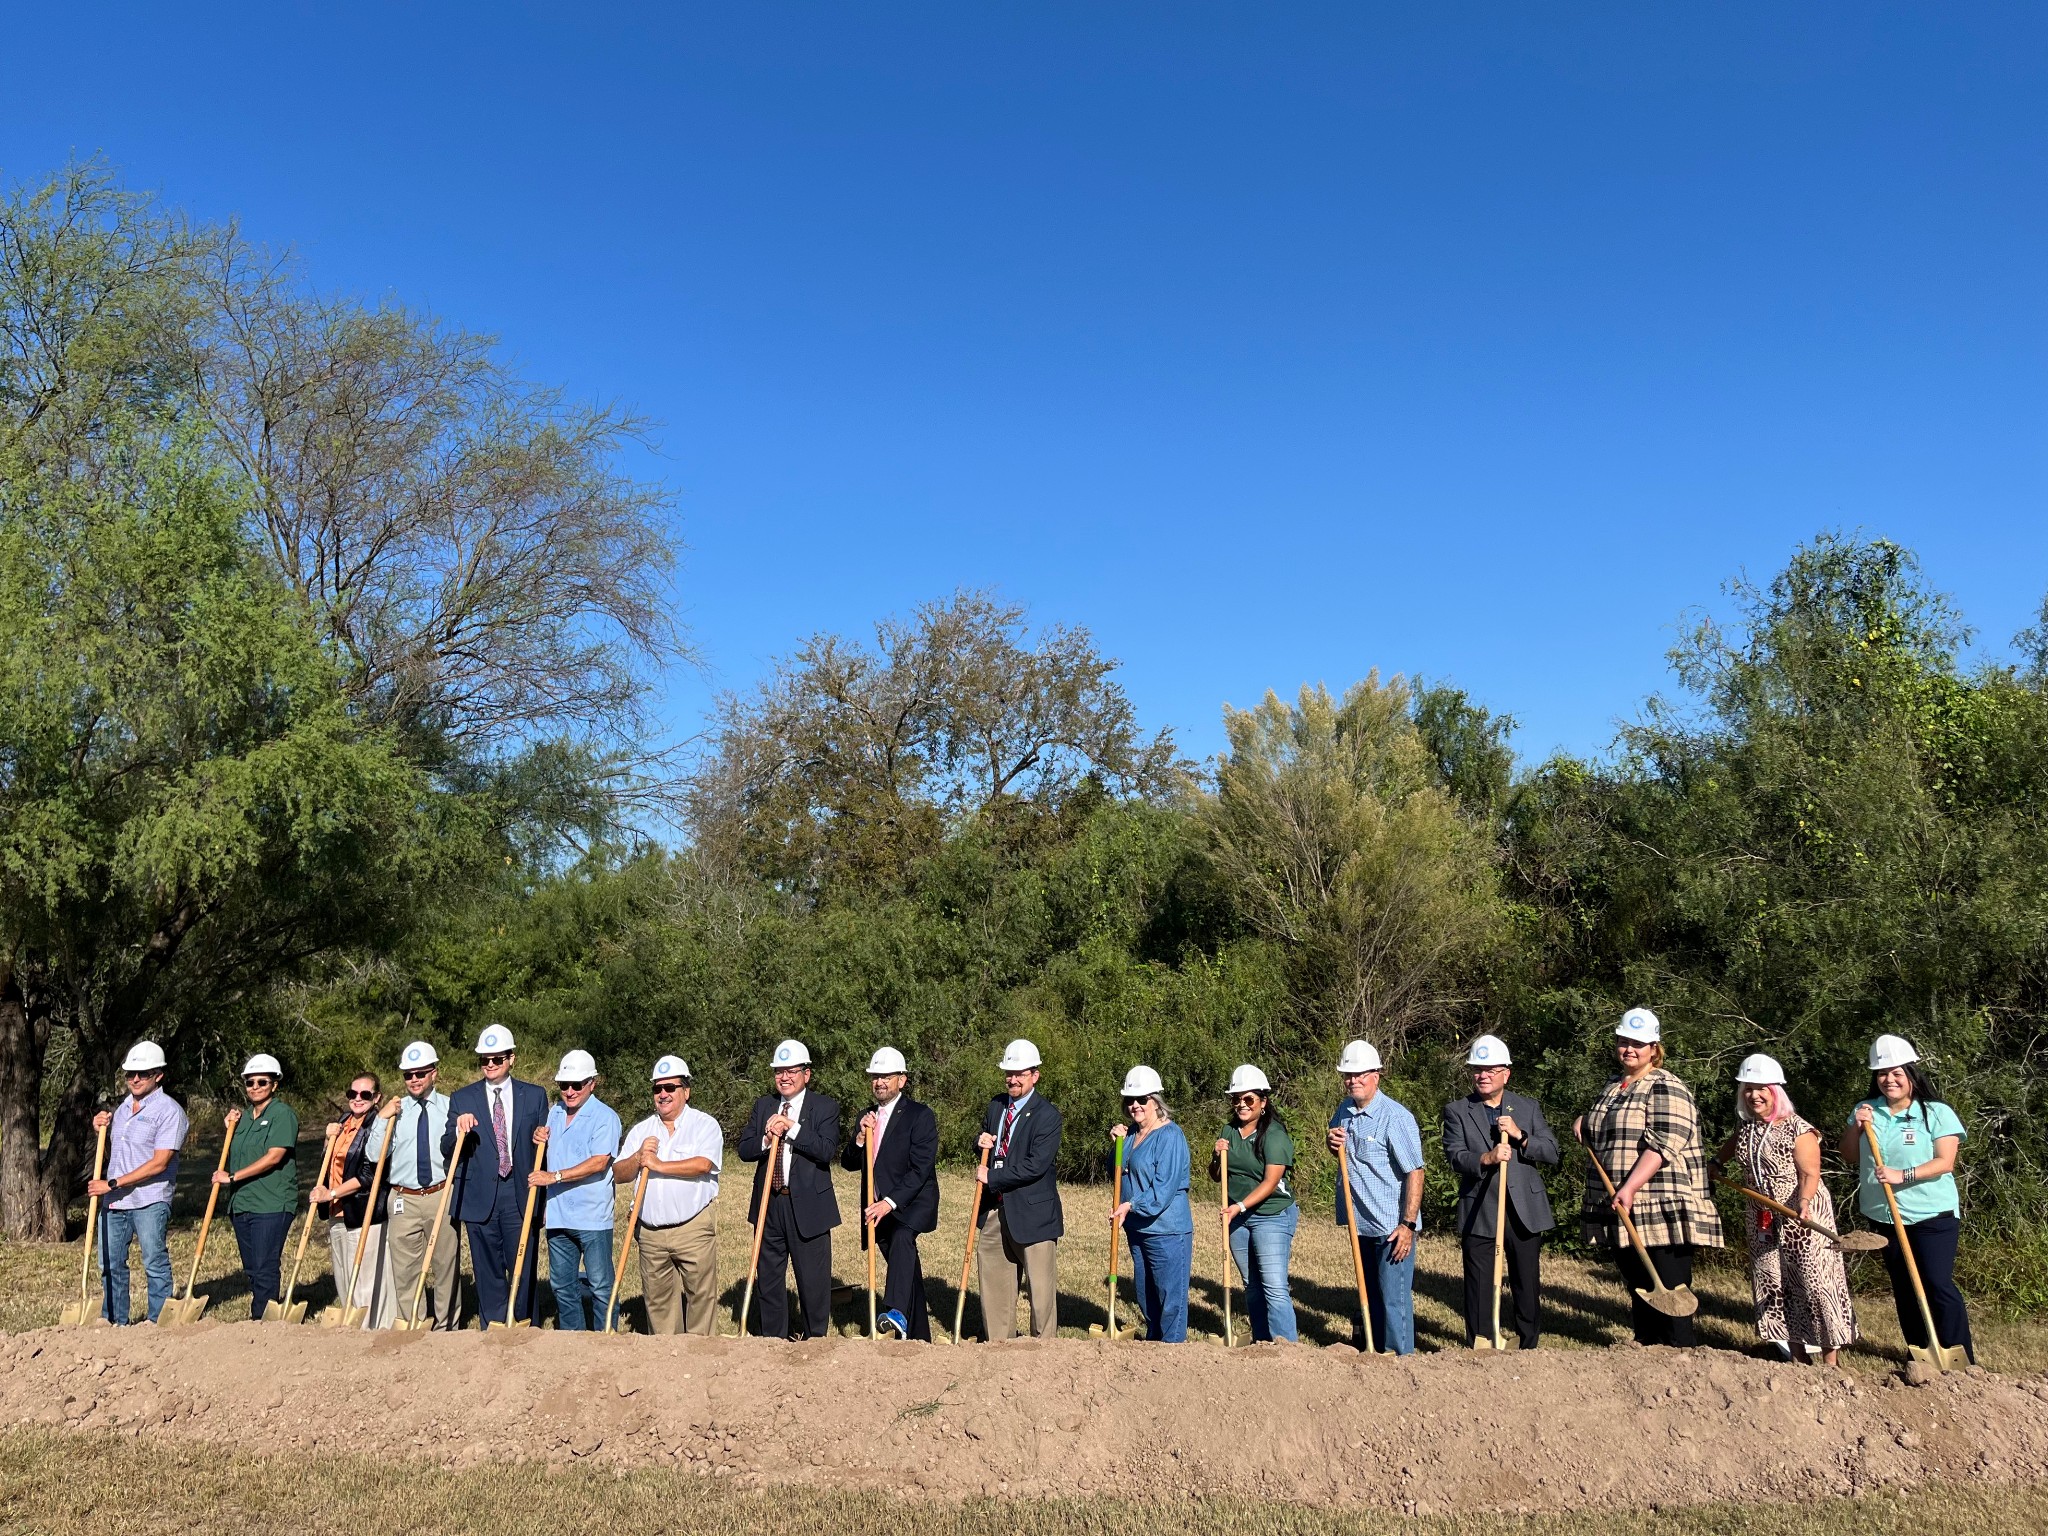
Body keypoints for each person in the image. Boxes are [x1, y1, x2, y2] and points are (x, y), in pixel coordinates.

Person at [1575, 1007, 1723, 1347]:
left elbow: (1664, 1143)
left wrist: (1630, 1187)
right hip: (1622, 1203)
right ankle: (1647, 1358)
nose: (1629, 1049)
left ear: (1654, 1048)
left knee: (1670, 1288)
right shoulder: (1614, 1085)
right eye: (1624, 1041)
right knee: (1640, 1287)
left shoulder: (1666, 1085)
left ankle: (1681, 1357)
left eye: (1638, 1044)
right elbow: (1605, 1126)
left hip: (1660, 1205)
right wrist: (1585, 1123)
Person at [1713, 1053, 1855, 1366]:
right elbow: (1733, 1144)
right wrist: (1716, 1163)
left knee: (1813, 1282)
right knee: (1774, 1282)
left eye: (1761, 1088)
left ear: (1776, 1091)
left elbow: (1809, 1173)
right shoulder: (1748, 1128)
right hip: (1762, 1215)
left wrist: (1803, 1203)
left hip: (1800, 1215)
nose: (1754, 1095)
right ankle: (1797, 1357)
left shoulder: (1798, 1129)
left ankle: (1831, 1361)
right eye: (1748, 1089)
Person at [1840, 1033, 1973, 1365]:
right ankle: (1918, 1351)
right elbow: (1848, 1156)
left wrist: (1904, 1175)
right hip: (1884, 1214)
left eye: (1897, 1073)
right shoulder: (1865, 1110)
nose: (1889, 1080)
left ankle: (1959, 1355)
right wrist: (1855, 1128)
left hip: (1932, 1214)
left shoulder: (1935, 1112)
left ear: (1912, 1075)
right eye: (1883, 1074)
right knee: (1903, 1285)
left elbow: (1946, 1161)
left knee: (1936, 1283)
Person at [1441, 1034, 1558, 1349]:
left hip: (1523, 1209)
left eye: (1490, 1069)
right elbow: (1455, 1155)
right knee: (1479, 1281)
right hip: (1481, 1208)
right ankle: (1481, 1341)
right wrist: (1486, 1158)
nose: (1483, 1075)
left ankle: (1528, 1342)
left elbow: (1551, 1151)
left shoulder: (1527, 1107)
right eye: (1478, 1070)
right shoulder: (1457, 1111)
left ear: (1506, 1073)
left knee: (1526, 1280)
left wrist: (1521, 1136)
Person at [443, 1024, 549, 1327]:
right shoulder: (462, 1099)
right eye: (484, 1060)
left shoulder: (535, 1095)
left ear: (511, 1059)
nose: (490, 1065)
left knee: (523, 1265)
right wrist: (457, 1130)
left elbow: (543, 1148)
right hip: (480, 1197)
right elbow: (447, 1148)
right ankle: (494, 1326)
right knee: (487, 1268)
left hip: (519, 1193)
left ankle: (527, 1324)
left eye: (497, 1059)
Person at [1326, 1039, 1425, 1355]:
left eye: (1360, 1074)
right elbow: (1340, 1151)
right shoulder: (1343, 1111)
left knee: (1393, 1299)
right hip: (1360, 1224)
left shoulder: (1395, 1117)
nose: (1353, 1080)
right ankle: (1375, 1356)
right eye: (1348, 1075)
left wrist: (1407, 1225)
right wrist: (1332, 1142)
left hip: (1390, 1228)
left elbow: (1415, 1171)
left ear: (1376, 1075)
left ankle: (1400, 1362)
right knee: (1370, 1296)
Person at [738, 1038, 841, 1338]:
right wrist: (766, 1140)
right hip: (770, 1204)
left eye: (791, 1071)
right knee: (768, 1278)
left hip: (808, 1206)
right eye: (779, 1071)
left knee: (812, 1281)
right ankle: (773, 1340)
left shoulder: (824, 1107)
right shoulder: (764, 1105)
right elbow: (744, 1150)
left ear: (806, 1074)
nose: (784, 1077)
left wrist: (791, 1128)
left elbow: (825, 1150)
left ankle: (816, 1339)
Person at [615, 1055, 722, 1334]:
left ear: (686, 1091)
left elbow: (703, 1164)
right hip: (650, 1233)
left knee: (700, 1298)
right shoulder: (641, 1130)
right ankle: (666, 1367)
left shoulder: (705, 1125)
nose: (662, 1094)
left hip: (692, 1228)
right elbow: (618, 1173)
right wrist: (639, 1157)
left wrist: (659, 1164)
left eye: (670, 1088)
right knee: (658, 1304)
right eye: (657, 1089)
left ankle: (700, 1361)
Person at [841, 1046, 939, 1340]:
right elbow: (848, 1163)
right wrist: (859, 1139)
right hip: (877, 1207)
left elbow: (920, 1170)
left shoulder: (919, 1116)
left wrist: (889, 1203)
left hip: (912, 1203)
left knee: (901, 1239)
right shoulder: (865, 1115)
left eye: (886, 1076)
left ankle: (895, 1310)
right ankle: (919, 1338)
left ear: (902, 1080)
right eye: (875, 1076)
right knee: (906, 1270)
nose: (880, 1081)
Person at [88, 1041, 190, 1325]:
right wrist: (99, 1130)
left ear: (159, 1075)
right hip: (115, 1201)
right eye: (130, 1073)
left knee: (153, 1261)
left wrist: (113, 1183)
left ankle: (157, 1321)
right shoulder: (120, 1110)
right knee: (109, 1263)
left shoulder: (170, 1112)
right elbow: (116, 1153)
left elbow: (159, 1163)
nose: (134, 1079)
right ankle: (114, 1320)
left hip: (149, 1199)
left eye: (142, 1074)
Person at [975, 1038, 1064, 1339]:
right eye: (1009, 1073)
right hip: (994, 1211)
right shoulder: (996, 1105)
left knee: (1040, 1295)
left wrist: (993, 1178)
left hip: (1033, 1215)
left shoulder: (1047, 1116)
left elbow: (1035, 1166)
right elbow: (989, 1147)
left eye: (1020, 1073)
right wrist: (980, 1143)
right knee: (995, 1287)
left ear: (1035, 1075)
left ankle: (1044, 1354)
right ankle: (1000, 1348)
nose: (1013, 1079)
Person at [367, 1040, 459, 1328]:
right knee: (405, 1269)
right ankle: (412, 1324)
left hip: (440, 1194)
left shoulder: (450, 1106)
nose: (414, 1080)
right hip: (403, 1198)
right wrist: (381, 1119)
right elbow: (373, 1154)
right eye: (408, 1074)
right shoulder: (396, 1111)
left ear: (434, 1073)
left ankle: (447, 1327)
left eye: (420, 1073)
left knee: (446, 1265)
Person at [1211, 1064, 1299, 1343]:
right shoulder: (1228, 1130)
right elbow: (1216, 1176)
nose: (1241, 1104)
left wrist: (1240, 1206)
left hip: (1271, 1214)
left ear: (1263, 1101)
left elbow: (1270, 1182)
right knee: (1252, 1286)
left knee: (1274, 1286)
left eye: (1248, 1099)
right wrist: (1216, 1157)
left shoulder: (1274, 1135)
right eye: (1236, 1099)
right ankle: (1262, 1343)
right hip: (1237, 1215)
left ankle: (1286, 1346)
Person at [535, 1050, 622, 1330]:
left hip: (591, 1216)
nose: (569, 1092)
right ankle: (573, 1341)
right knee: (561, 1284)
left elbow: (599, 1162)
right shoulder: (555, 1114)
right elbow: (550, 1151)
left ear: (592, 1083)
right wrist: (539, 1137)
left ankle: (605, 1338)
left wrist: (556, 1177)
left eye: (576, 1085)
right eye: (564, 1085)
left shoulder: (605, 1117)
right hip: (559, 1214)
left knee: (600, 1285)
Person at [1111, 1066, 1192, 1343]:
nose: (1135, 1105)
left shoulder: (1171, 1136)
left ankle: (1172, 1352)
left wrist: (1131, 1205)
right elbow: (1119, 1171)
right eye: (1130, 1100)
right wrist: (1117, 1146)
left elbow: (1163, 1189)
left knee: (1170, 1300)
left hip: (1166, 1230)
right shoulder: (1132, 1134)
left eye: (1142, 1099)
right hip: (1137, 1228)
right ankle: (1153, 1350)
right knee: (1146, 1296)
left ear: (1156, 1101)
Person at [218, 1053, 301, 1320]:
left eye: (262, 1082)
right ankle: (261, 1315)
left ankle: (263, 1321)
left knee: (265, 1266)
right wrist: (229, 1125)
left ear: (274, 1084)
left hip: (272, 1203)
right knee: (252, 1267)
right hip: (242, 1203)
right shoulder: (241, 1119)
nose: (255, 1087)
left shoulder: (282, 1114)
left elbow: (274, 1156)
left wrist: (233, 1177)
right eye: (250, 1082)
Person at [312, 1072, 397, 1327]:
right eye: (353, 1094)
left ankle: (375, 1329)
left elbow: (369, 1175)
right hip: (338, 1212)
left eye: (365, 1095)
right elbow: (329, 1165)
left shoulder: (379, 1125)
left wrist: (333, 1193)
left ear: (377, 1097)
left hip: (363, 1211)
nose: (357, 1099)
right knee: (344, 1276)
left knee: (366, 1278)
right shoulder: (342, 1121)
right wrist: (328, 1139)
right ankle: (351, 1328)